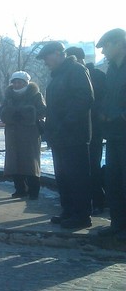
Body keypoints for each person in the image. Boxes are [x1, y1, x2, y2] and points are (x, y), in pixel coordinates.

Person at [36, 41, 94, 229]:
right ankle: (69, 210)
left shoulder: (76, 70)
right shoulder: (58, 75)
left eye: (47, 57)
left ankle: (82, 215)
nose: (45, 62)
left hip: (74, 135)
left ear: (59, 53)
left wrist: (65, 123)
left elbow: (84, 98)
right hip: (60, 136)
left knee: (77, 176)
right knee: (63, 176)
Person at [66, 46, 107, 215]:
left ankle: (98, 201)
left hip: (94, 128)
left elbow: (102, 100)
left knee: (92, 166)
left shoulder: (97, 75)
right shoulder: (69, 76)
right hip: (77, 129)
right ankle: (84, 201)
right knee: (79, 168)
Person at [95, 28, 126, 241]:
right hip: (114, 135)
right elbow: (109, 96)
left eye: (106, 46)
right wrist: (103, 112)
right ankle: (117, 224)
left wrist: (118, 116)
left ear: (118, 44)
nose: (103, 51)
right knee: (114, 180)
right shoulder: (113, 69)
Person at [0, 71, 46, 200]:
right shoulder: (8, 96)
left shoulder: (35, 95)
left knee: (31, 161)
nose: (16, 84)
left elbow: (42, 111)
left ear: (26, 83)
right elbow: (1, 111)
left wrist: (27, 113)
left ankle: (34, 190)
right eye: (14, 82)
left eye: (19, 82)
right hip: (12, 133)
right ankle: (20, 189)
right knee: (14, 161)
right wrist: (9, 113)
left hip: (30, 134)